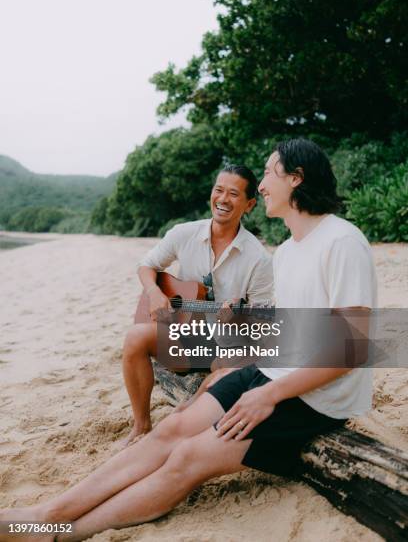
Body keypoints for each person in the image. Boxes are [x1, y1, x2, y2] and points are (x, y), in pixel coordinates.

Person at [0, 138, 377, 542]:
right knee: (171, 429)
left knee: (187, 457)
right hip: (270, 373)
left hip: (315, 398)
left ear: (296, 179)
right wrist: (235, 368)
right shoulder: (287, 251)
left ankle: (58, 534)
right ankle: (46, 513)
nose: (263, 184)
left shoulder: (342, 241)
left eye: (269, 172)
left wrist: (269, 395)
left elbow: (350, 348)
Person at [122, 164, 273, 444]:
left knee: (227, 361)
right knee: (134, 337)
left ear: (250, 204)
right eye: (218, 190)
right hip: (183, 335)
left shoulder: (259, 259)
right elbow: (147, 265)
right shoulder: (184, 233)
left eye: (233, 194)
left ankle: (190, 415)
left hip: (227, 346)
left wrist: (239, 318)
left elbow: (263, 323)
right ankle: (141, 426)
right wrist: (154, 292)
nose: (223, 199)